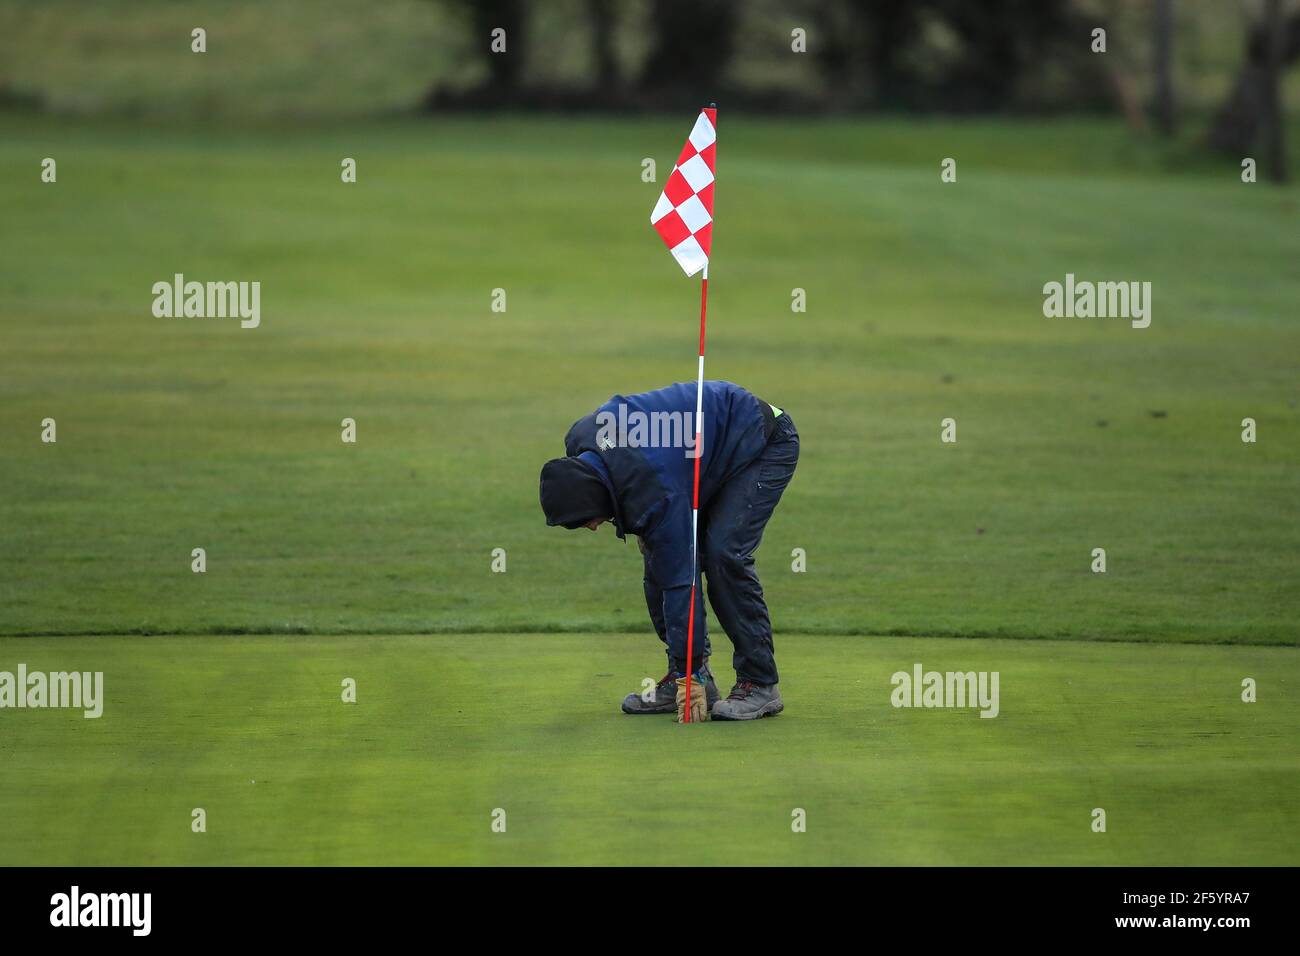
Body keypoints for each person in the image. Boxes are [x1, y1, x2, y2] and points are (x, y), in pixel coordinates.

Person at [539, 380, 799, 720]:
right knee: (657, 555)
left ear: (593, 496)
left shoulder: (653, 488)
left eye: (585, 519)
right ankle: (690, 675)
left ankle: (759, 682)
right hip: (696, 455)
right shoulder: (581, 442)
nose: (590, 527)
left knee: (723, 554)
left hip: (759, 442)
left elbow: (680, 581)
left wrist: (688, 669)